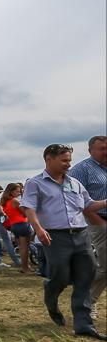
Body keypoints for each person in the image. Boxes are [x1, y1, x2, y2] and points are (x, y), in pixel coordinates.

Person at [20, 143, 106, 340]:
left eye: (69, 160)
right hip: (54, 237)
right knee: (60, 276)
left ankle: (84, 325)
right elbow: (29, 208)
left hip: (81, 234)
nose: (68, 164)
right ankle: (51, 294)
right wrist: (38, 229)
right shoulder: (36, 183)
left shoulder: (74, 183)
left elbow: (89, 205)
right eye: (64, 160)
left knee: (85, 277)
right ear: (49, 159)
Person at [69, 135, 106, 319]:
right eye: (102, 148)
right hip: (98, 221)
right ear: (90, 150)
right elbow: (76, 203)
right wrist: (99, 223)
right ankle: (87, 302)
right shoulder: (82, 170)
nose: (106, 152)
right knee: (105, 267)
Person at [1, 183, 35, 274]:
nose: (19, 193)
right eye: (17, 191)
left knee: (22, 247)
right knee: (25, 248)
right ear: (11, 191)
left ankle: (26, 266)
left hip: (14, 225)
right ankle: (25, 267)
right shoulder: (15, 201)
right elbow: (26, 212)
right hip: (22, 224)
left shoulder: (5, 202)